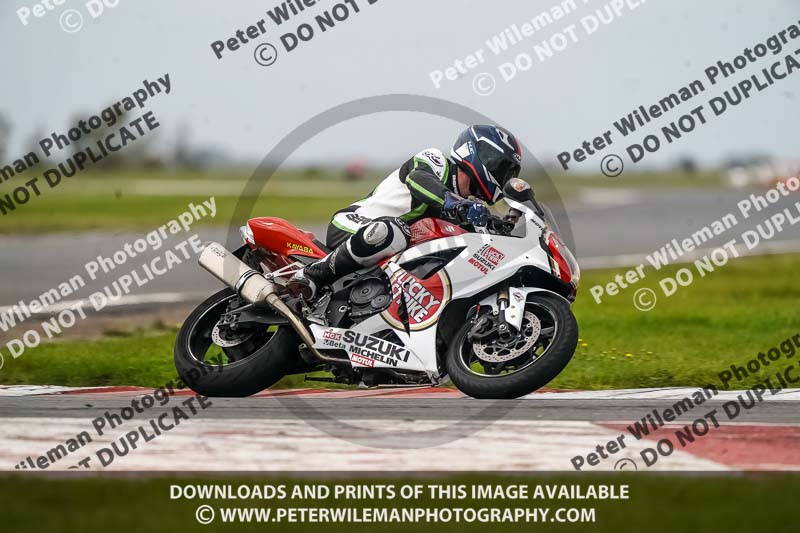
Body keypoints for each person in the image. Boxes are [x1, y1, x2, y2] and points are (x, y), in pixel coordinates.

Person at [288, 125, 523, 300]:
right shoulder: (435, 161)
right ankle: (312, 276)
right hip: (356, 225)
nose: (503, 177)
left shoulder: (469, 209)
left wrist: (501, 226)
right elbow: (418, 179)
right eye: (501, 168)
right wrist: (454, 202)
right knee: (395, 230)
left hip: (388, 251)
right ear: (477, 153)